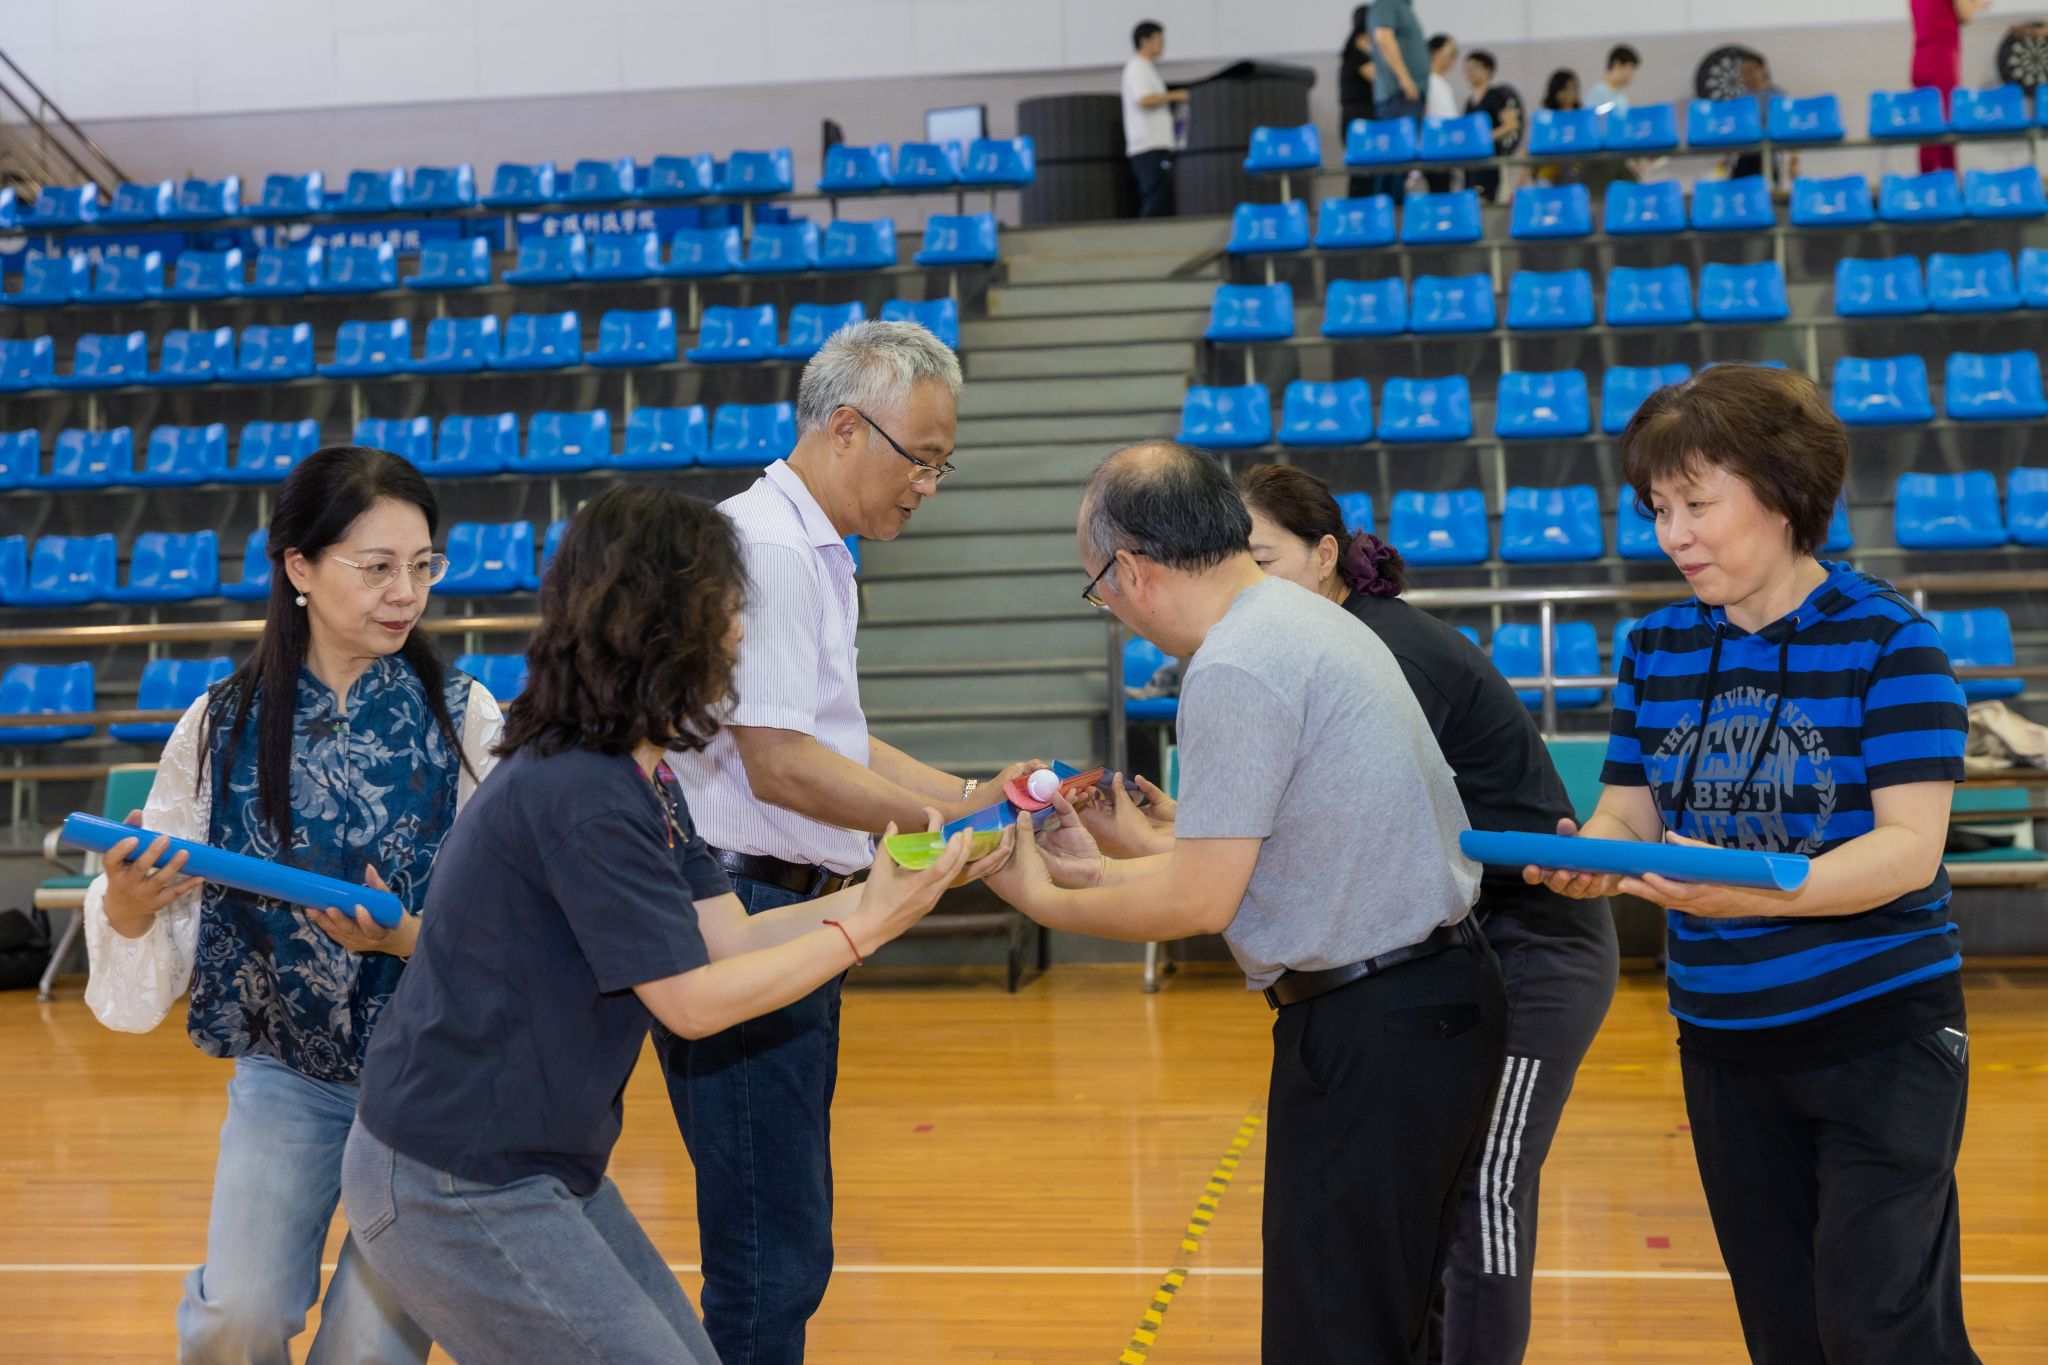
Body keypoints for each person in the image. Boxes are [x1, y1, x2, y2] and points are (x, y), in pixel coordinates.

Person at [341, 484, 1009, 1364]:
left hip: (530, 1164)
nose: (738, 633)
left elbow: (732, 936)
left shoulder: (640, 774)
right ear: (662, 624)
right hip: (454, 1177)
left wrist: (898, 885)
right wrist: (865, 929)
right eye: (726, 609)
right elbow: (693, 1003)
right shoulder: (582, 789)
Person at [987, 441, 1508, 1364]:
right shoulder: (1298, 616)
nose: (1111, 608)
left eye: (1098, 589)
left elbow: (1200, 896)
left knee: (1334, 1332)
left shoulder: (1235, 663)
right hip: (1424, 1003)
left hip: (1377, 1022)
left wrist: (1043, 898)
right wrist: (1092, 874)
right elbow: (1252, 860)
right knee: (1380, 1321)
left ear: (1131, 570)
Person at [1526, 366, 1978, 1364]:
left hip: (1878, 1032)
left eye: (1696, 505)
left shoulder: (1890, 643)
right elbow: (1627, 811)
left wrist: (1757, 887)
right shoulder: (1654, 648)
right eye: (1657, 509)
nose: (1672, 535)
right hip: (1724, 1038)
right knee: (1784, 1332)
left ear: (1781, 494)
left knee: (1880, 1327)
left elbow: (1909, 851)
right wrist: (1591, 858)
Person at [661, 319, 1041, 1365]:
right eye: (921, 458)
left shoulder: (808, 544)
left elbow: (832, 737)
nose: (928, 484)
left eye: (941, 464)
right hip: (750, 907)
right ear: (843, 429)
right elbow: (781, 764)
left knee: (776, 1237)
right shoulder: (776, 550)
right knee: (768, 1251)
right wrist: (939, 829)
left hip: (779, 902)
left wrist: (966, 796)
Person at [81, 445, 503, 1365]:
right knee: (236, 1319)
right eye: (377, 566)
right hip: (289, 1073)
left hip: (433, 1081)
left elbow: (512, 926)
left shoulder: (467, 718)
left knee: (367, 1352)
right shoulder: (220, 723)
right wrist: (130, 902)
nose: (405, 592)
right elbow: (145, 914)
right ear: (299, 567)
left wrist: (406, 937)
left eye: (422, 565)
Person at [1235, 465, 1619, 1365]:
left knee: (1486, 1188)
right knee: (1431, 1197)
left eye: (1263, 560)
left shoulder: (1381, 653)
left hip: (1538, 940)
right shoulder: (1326, 645)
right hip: (1459, 940)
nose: (1247, 587)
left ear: (1325, 556)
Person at [1912, 0, 1991, 172]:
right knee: (1945, 130)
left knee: (1927, 130)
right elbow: (1966, 15)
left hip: (1920, 56)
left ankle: (1928, 182)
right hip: (1941, 57)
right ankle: (1947, 182)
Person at [1123, 20, 1187, 218]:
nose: (1163, 44)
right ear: (1145, 41)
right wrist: (1174, 95)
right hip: (1148, 146)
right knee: (1156, 199)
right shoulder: (1138, 67)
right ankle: (1147, 236)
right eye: (1159, 39)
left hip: (1157, 145)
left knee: (1163, 199)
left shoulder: (1147, 68)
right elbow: (1144, 99)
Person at [1370, 0, 1431, 202]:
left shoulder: (1403, 7)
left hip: (1408, 97)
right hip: (1399, 96)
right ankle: (1390, 212)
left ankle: (1395, 208)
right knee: (1395, 161)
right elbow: (1383, 37)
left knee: (1402, 163)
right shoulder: (1388, 3)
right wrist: (1404, 79)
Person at [1463, 49, 1521, 201]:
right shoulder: (1470, 101)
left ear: (1487, 70)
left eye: (1474, 68)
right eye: (1467, 68)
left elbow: (1512, 124)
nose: (1470, 72)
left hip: (1489, 160)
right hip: (1472, 162)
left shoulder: (1496, 95)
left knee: (1485, 200)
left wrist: (1486, 137)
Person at [1728, 53, 1793, 184]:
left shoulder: (1778, 95)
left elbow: (1790, 128)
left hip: (1770, 154)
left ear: (1762, 70)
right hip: (1745, 155)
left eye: (1750, 71)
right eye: (1743, 73)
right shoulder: (1740, 99)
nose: (1747, 76)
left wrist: (1794, 161)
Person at [1340, 6, 1381, 197]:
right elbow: (1378, 78)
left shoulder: (1361, 52)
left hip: (1364, 118)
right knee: (1361, 177)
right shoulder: (1356, 54)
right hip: (1358, 121)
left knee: (1369, 177)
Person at [1423, 34, 1461, 191]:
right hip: (1435, 147)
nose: (1454, 57)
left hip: (1447, 148)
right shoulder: (1427, 81)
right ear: (1435, 53)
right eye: (1451, 52)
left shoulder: (1441, 83)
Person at [1585, 44, 1639, 115]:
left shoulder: (1620, 94)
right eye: (1630, 69)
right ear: (1617, 65)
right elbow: (1592, 119)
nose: (1632, 75)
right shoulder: (1598, 93)